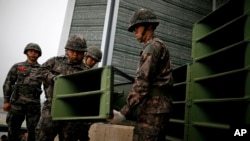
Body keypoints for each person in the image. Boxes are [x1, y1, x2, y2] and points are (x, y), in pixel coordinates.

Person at [109, 8, 174, 141]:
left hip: (154, 110)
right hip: (156, 108)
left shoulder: (153, 47)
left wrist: (124, 112)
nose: (134, 32)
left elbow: (142, 82)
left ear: (149, 26)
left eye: (136, 27)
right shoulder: (155, 46)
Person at [35, 34, 91, 141]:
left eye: (79, 52)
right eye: (73, 51)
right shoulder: (55, 61)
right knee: (42, 137)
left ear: (84, 53)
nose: (75, 54)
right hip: (51, 108)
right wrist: (53, 78)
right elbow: (39, 72)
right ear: (67, 50)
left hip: (72, 113)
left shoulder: (86, 71)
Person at [2, 43, 43, 141]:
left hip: (34, 106)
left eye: (36, 52)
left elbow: (47, 86)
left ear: (39, 54)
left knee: (34, 132)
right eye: (31, 51)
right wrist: (6, 101)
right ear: (26, 52)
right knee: (12, 131)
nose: (33, 54)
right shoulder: (17, 66)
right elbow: (8, 83)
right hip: (17, 104)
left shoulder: (42, 69)